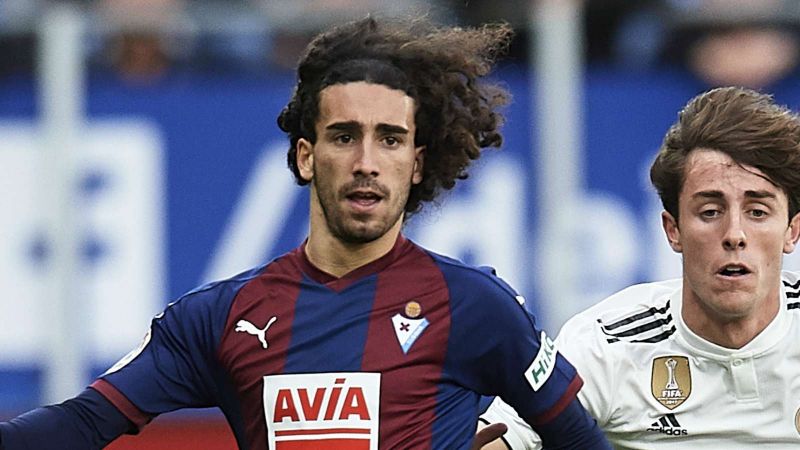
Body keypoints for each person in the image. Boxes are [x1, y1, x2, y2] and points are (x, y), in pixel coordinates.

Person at [0, 17, 611, 449]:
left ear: (417, 164)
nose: (366, 162)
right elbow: (81, 423)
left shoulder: (477, 306)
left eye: (390, 140)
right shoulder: (216, 318)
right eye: (344, 137)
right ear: (305, 156)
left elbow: (580, 440)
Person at [478, 86, 800, 448]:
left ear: (792, 231)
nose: (735, 235)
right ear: (673, 230)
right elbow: (497, 438)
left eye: (757, 212)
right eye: (710, 212)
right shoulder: (608, 344)